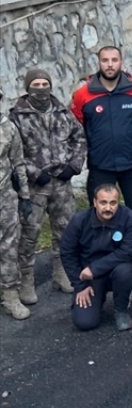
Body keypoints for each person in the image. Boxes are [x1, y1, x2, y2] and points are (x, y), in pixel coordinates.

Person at [10, 69, 85, 299]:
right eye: (36, 84)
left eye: (45, 83)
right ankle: (26, 280)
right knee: (29, 234)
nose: (41, 88)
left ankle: (61, 273)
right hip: (34, 187)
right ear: (27, 87)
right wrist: (34, 173)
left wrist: (74, 165)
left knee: (65, 231)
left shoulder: (63, 112)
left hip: (62, 183)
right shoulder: (17, 116)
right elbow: (14, 152)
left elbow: (79, 137)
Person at [70, 46, 132, 246]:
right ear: (99, 63)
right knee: (99, 213)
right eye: (105, 60)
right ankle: (102, 253)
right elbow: (76, 125)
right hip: (101, 165)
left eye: (114, 60)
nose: (109, 65)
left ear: (121, 62)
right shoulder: (83, 94)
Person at [60, 185, 132, 331]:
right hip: (88, 277)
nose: (108, 208)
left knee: (126, 271)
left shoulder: (131, 219)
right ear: (94, 202)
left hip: (115, 270)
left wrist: (95, 268)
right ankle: (97, 299)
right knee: (85, 323)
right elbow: (67, 253)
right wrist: (79, 286)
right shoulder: (79, 221)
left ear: (118, 202)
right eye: (103, 202)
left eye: (113, 203)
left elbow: (128, 251)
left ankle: (121, 310)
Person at [0, 87, 30, 320]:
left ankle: (10, 294)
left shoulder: (8, 127)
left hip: (5, 197)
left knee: (10, 245)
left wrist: (25, 197)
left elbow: (18, 163)